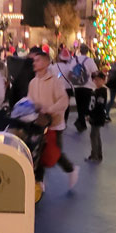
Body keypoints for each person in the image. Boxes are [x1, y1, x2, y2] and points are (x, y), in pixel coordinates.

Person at [28, 48, 78, 193]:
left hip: (54, 124)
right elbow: (30, 100)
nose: (34, 63)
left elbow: (63, 101)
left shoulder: (55, 81)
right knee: (39, 152)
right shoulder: (33, 82)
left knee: (55, 154)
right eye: (34, 60)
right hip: (38, 123)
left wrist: (49, 109)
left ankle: (71, 169)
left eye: (38, 60)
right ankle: (39, 183)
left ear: (46, 63)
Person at [71, 44, 97, 132]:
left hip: (77, 85)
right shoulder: (90, 61)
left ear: (80, 50)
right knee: (85, 105)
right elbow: (94, 72)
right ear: (87, 51)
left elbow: (71, 71)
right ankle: (81, 123)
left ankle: (81, 122)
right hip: (87, 86)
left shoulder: (74, 60)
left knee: (79, 105)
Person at [87, 71, 108, 161]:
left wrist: (92, 114)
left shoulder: (102, 92)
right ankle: (98, 154)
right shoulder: (96, 91)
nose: (96, 81)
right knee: (96, 135)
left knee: (93, 135)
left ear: (103, 80)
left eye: (99, 80)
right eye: (95, 80)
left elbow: (99, 105)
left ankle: (95, 155)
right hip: (95, 115)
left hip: (98, 116)